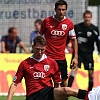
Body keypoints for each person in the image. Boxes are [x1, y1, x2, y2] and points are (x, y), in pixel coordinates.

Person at [7, 35, 62, 100]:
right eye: (37, 49)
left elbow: (57, 85)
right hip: (32, 97)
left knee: (67, 91)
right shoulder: (24, 64)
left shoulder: (52, 62)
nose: (40, 52)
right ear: (33, 47)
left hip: (47, 95)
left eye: (42, 50)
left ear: (45, 48)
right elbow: (14, 84)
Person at [39, 0, 78, 87]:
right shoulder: (47, 21)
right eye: (59, 9)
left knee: (64, 82)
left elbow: (74, 40)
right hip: (47, 57)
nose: (61, 12)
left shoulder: (69, 23)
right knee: (46, 82)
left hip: (60, 57)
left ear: (66, 10)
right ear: (55, 9)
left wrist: (75, 57)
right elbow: (40, 35)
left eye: (63, 9)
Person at [68, 10, 100, 91]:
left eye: (88, 17)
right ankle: (67, 90)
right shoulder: (77, 27)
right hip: (77, 54)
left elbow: (98, 42)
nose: (87, 19)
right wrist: (68, 44)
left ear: (91, 18)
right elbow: (70, 37)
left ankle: (90, 92)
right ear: (83, 17)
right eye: (86, 17)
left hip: (88, 55)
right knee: (73, 71)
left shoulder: (94, 29)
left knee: (91, 74)